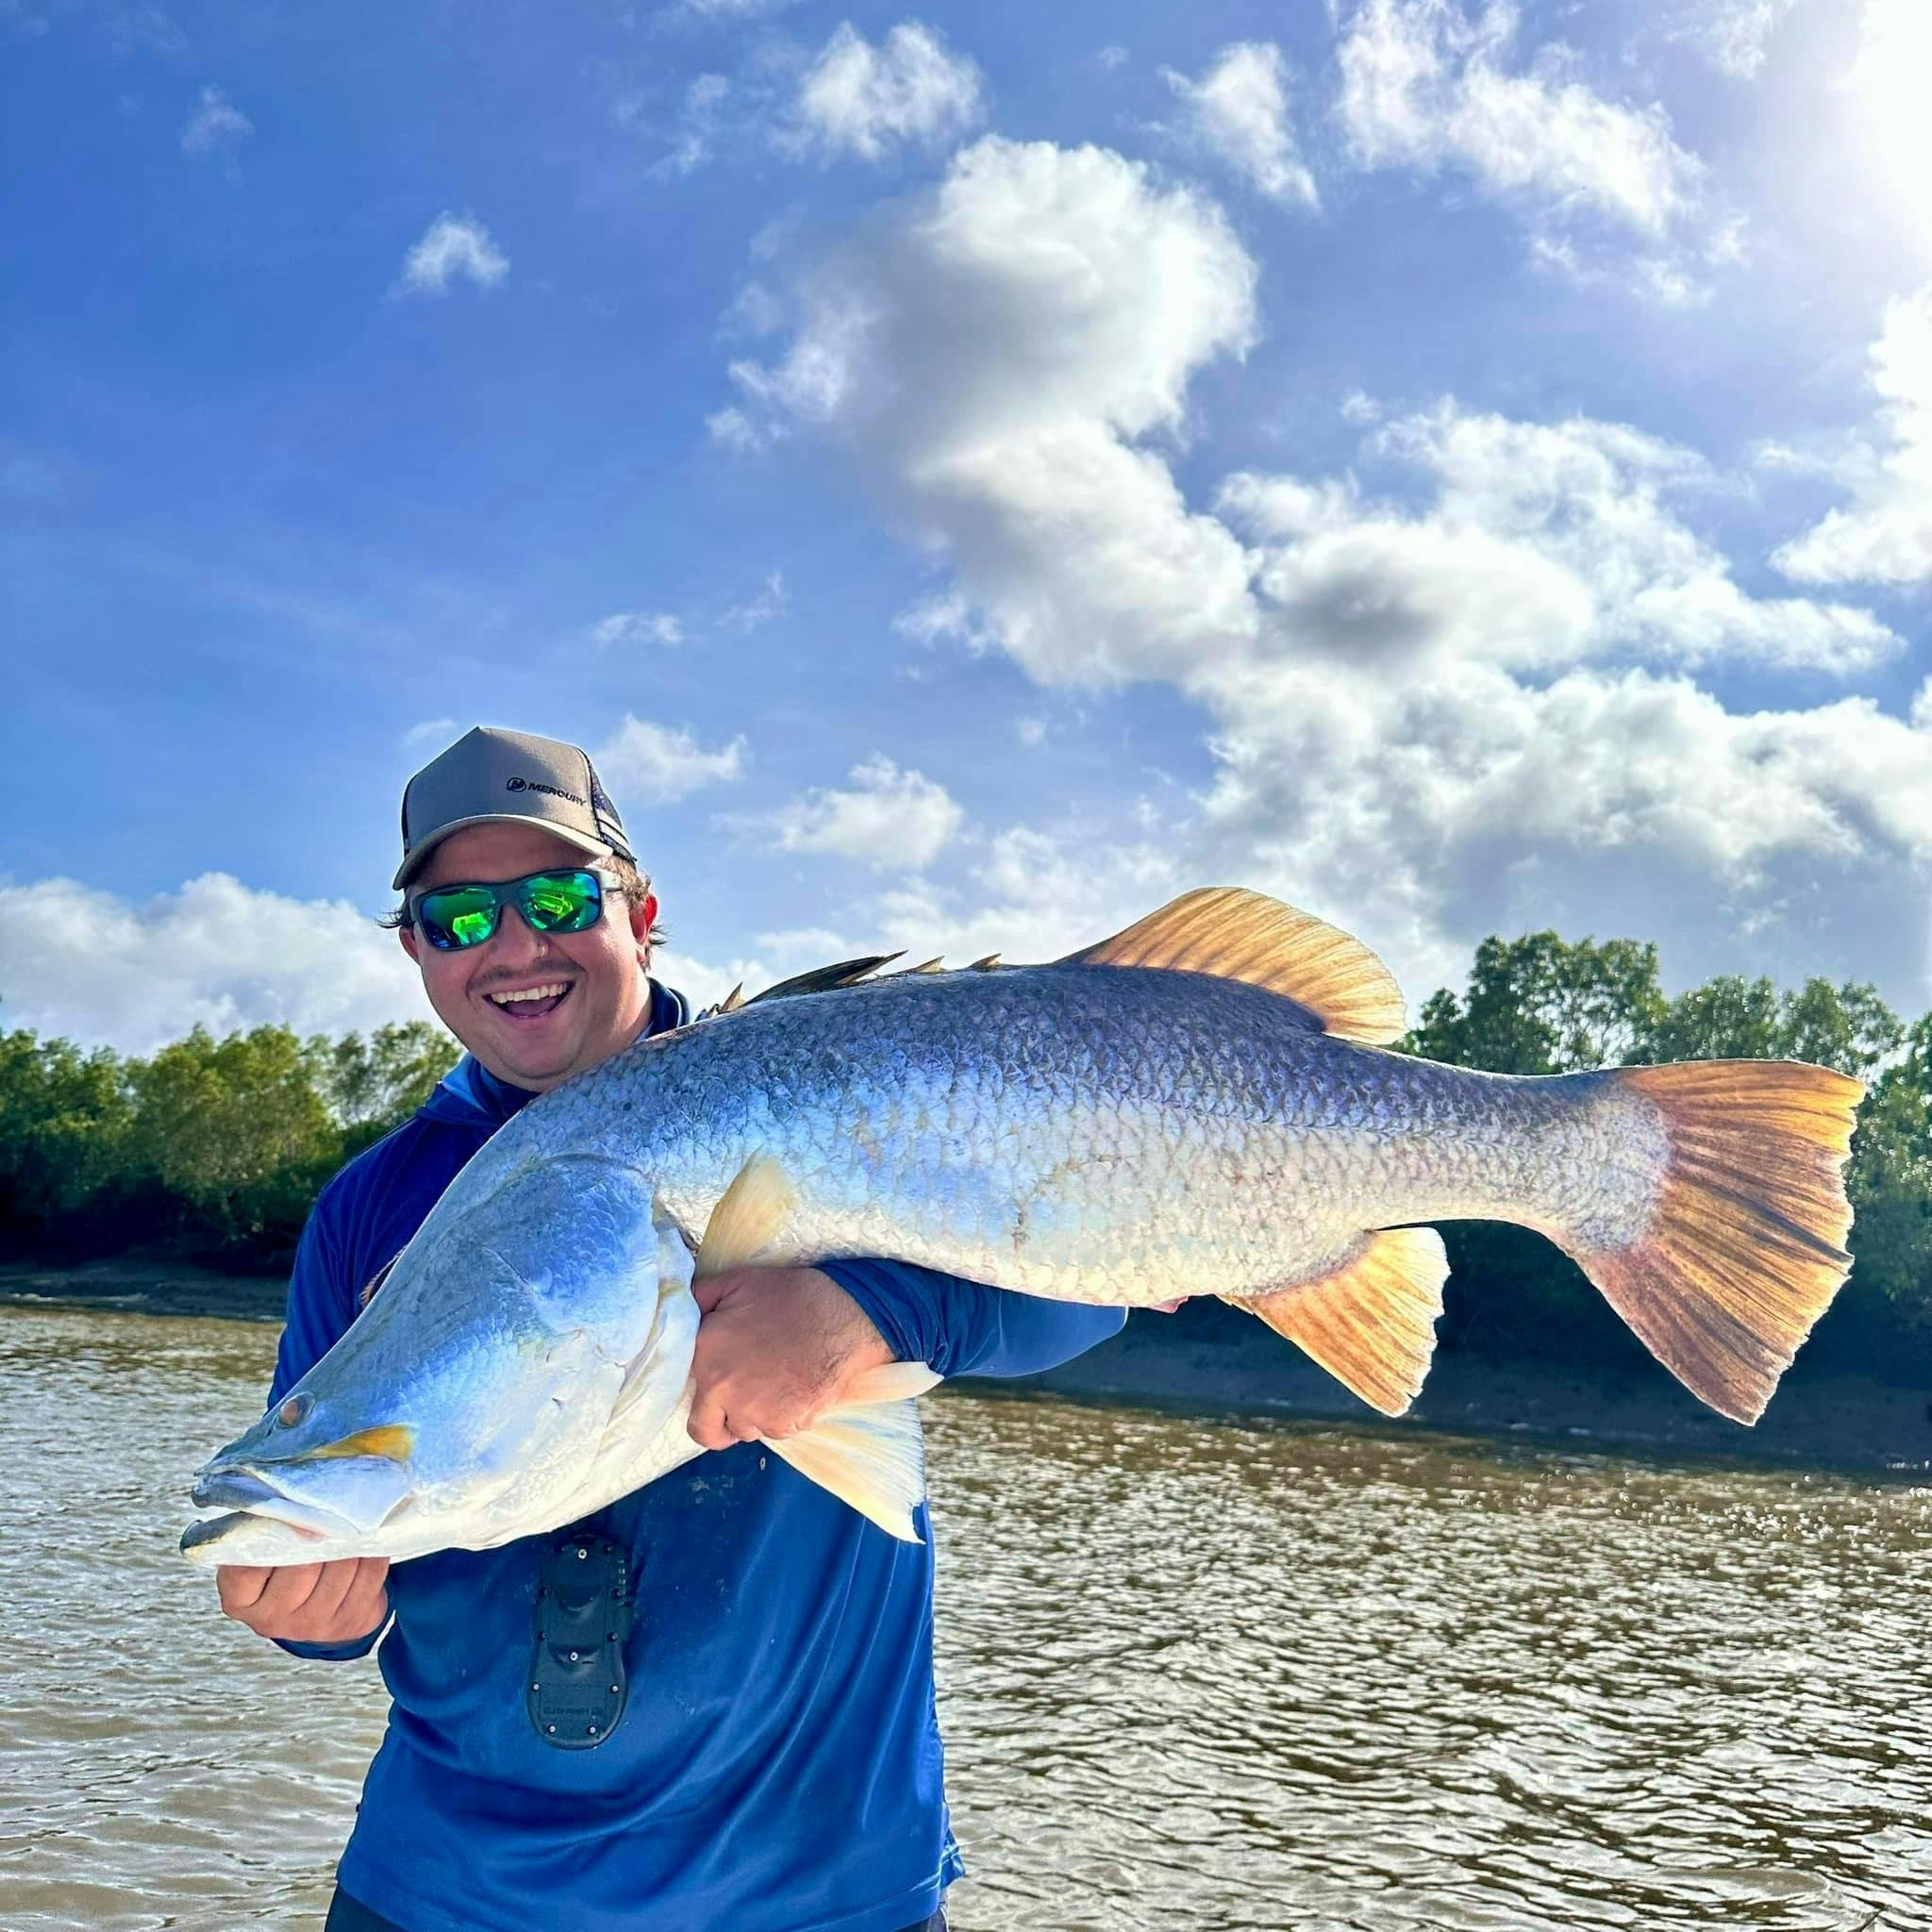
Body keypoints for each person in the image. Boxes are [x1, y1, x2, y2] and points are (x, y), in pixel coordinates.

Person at [212, 725, 1124, 1932]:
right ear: (418, 951)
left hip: (816, 1886)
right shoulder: (367, 1207)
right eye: (458, 917)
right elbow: (351, 1504)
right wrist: (311, 1608)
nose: (515, 946)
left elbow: (1107, 1264)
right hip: (446, 1890)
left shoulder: (822, 1086)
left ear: (641, 916)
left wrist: (879, 1308)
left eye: (555, 896)